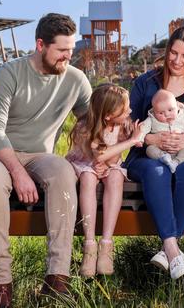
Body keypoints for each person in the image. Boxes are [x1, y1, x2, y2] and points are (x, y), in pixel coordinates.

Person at [0, 13, 92, 307]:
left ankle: (57, 280)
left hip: (40, 155)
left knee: (63, 171)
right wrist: (18, 174)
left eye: (71, 51)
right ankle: (1, 287)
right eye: (62, 51)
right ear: (40, 44)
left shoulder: (75, 80)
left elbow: (92, 122)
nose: (67, 57)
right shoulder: (9, 73)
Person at [126, 26, 184, 280]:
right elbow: (128, 124)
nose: (177, 60)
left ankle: (168, 247)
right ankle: (172, 248)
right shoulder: (146, 83)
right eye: (173, 53)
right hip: (148, 154)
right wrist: (150, 137)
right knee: (157, 171)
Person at [66, 83, 142, 278]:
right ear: (108, 115)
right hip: (84, 163)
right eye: (124, 109)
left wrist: (108, 165)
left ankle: (106, 245)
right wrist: (131, 141)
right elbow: (97, 156)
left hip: (107, 164)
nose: (130, 111)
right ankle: (90, 246)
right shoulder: (86, 127)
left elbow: (113, 158)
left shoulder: (122, 125)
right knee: (88, 178)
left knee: (116, 176)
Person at [138, 89, 184, 173]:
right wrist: (140, 139)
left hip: (180, 150)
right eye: (161, 113)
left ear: (177, 106)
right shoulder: (152, 120)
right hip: (160, 150)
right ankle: (164, 158)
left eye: (170, 110)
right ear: (154, 112)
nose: (167, 115)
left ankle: (176, 162)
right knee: (149, 150)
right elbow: (142, 129)